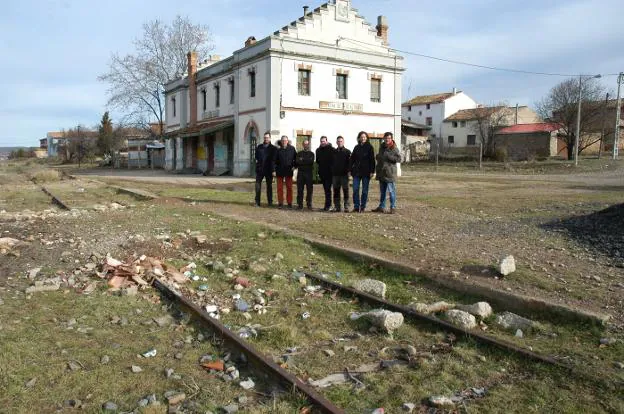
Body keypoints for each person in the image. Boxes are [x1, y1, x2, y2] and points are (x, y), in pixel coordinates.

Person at [373, 132, 401, 214]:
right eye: (385, 138)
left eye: (388, 138)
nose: (387, 140)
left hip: (390, 173)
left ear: (391, 139)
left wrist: (389, 157)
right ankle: (381, 206)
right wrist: (378, 157)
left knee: (391, 191)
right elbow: (381, 156)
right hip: (381, 172)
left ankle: (393, 207)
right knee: (383, 192)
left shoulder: (394, 148)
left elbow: (399, 159)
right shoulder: (382, 147)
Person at [349, 131, 375, 213]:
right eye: (361, 137)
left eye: (364, 137)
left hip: (366, 172)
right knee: (355, 189)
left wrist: (372, 171)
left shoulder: (370, 147)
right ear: (359, 138)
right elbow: (352, 159)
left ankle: (363, 207)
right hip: (356, 172)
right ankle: (356, 207)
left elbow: (372, 160)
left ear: (366, 138)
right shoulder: (356, 147)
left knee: (364, 190)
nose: (363, 138)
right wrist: (350, 169)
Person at [274, 135, 297, 209]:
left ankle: (289, 202)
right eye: (282, 140)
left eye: (285, 140)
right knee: (279, 188)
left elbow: (296, 158)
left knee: (289, 188)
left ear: (287, 141)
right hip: (280, 171)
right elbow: (274, 161)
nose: (284, 142)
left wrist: (294, 166)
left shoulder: (292, 149)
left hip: (289, 171)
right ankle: (280, 202)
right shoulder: (278, 150)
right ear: (281, 141)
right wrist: (274, 170)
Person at [254, 131, 276, 207]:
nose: (266, 139)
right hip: (260, 170)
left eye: (267, 138)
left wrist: (273, 170)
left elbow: (274, 160)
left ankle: (270, 202)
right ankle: (257, 202)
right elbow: (256, 157)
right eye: (265, 137)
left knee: (269, 186)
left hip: (269, 170)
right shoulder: (259, 147)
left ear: (270, 138)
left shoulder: (273, 148)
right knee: (257, 186)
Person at [331, 136, 351, 213]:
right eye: (338, 141)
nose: (339, 142)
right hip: (335, 175)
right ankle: (337, 206)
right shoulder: (334, 152)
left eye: (341, 141)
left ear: (343, 142)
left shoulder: (347, 152)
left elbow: (350, 163)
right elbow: (331, 163)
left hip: (344, 175)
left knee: (345, 191)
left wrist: (349, 172)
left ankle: (346, 206)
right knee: (336, 191)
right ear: (336, 142)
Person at [315, 136, 334, 211]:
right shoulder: (318, 150)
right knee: (326, 190)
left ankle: (329, 205)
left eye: (324, 141)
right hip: (322, 173)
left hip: (330, 173)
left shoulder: (332, 149)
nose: (322, 142)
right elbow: (318, 161)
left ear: (327, 141)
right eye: (321, 141)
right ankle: (327, 205)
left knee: (328, 189)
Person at [295, 139, 315, 210]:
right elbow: (297, 162)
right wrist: (305, 160)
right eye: (305, 144)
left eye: (307, 144)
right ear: (303, 145)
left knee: (309, 190)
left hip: (309, 174)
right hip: (300, 174)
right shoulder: (299, 153)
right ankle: (300, 204)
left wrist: (302, 160)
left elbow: (311, 162)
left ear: (308, 145)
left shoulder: (312, 154)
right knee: (300, 189)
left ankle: (309, 204)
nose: (306, 145)